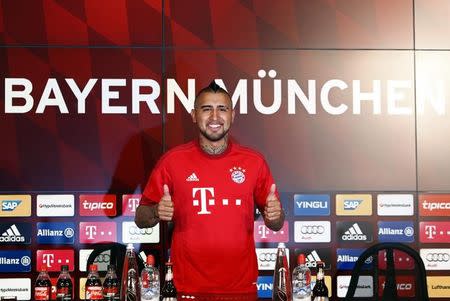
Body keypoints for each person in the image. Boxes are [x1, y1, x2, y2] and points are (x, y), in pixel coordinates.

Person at [135, 81, 285, 300]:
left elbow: (276, 223)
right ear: (194, 115)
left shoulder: (254, 162)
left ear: (232, 115)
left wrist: (275, 216)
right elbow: (141, 217)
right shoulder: (173, 161)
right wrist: (157, 211)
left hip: (240, 288)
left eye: (222, 109)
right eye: (207, 109)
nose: (215, 117)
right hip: (187, 288)